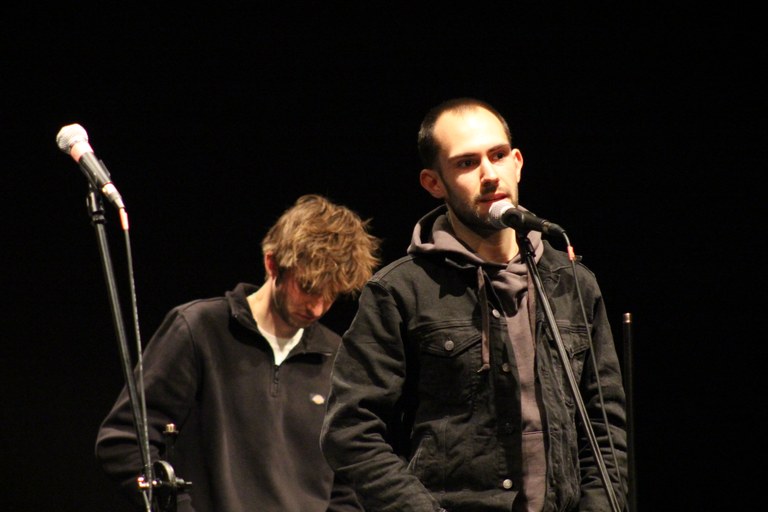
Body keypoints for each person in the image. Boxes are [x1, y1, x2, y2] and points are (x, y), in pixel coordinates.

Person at [320, 98, 628, 511]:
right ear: (434, 182)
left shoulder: (574, 283)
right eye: (466, 163)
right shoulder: (399, 291)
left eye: (498, 156)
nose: (489, 175)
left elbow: (606, 431)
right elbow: (350, 431)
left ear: (517, 163)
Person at [96, 194, 380, 512]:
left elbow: (347, 484)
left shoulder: (338, 359)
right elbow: (124, 441)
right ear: (272, 263)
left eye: (331, 295)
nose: (317, 307)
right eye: (308, 288)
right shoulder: (199, 329)